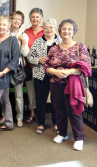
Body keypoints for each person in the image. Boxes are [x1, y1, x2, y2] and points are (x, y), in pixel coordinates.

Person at [44, 19, 91, 150]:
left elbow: (86, 66)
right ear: (60, 31)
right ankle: (62, 133)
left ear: (73, 32)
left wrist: (69, 71)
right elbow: (46, 64)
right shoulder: (54, 48)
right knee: (59, 110)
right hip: (55, 83)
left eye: (69, 29)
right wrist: (54, 71)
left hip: (73, 84)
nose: (66, 31)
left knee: (74, 110)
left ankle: (79, 138)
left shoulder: (79, 46)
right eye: (64, 29)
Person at [27, 18, 61, 134]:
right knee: (40, 100)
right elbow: (29, 57)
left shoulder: (60, 41)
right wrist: (38, 60)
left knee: (56, 100)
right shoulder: (38, 41)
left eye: (51, 27)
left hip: (57, 76)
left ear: (55, 28)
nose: (49, 29)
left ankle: (56, 123)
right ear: (43, 29)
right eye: (46, 27)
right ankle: (41, 123)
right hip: (40, 75)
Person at [7, 11, 29, 127]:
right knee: (4, 94)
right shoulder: (5, 32)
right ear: (11, 20)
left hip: (18, 68)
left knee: (18, 95)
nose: (16, 21)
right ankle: (4, 116)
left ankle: (19, 117)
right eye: (14, 18)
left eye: (19, 19)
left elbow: (25, 54)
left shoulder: (24, 35)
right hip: (5, 68)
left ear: (22, 22)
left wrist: (24, 41)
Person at [24, 8, 44, 123]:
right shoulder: (26, 32)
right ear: (30, 19)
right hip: (30, 67)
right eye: (33, 17)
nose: (35, 19)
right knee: (31, 91)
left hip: (42, 68)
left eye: (37, 17)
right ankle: (32, 114)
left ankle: (41, 114)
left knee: (41, 93)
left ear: (41, 18)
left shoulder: (46, 31)